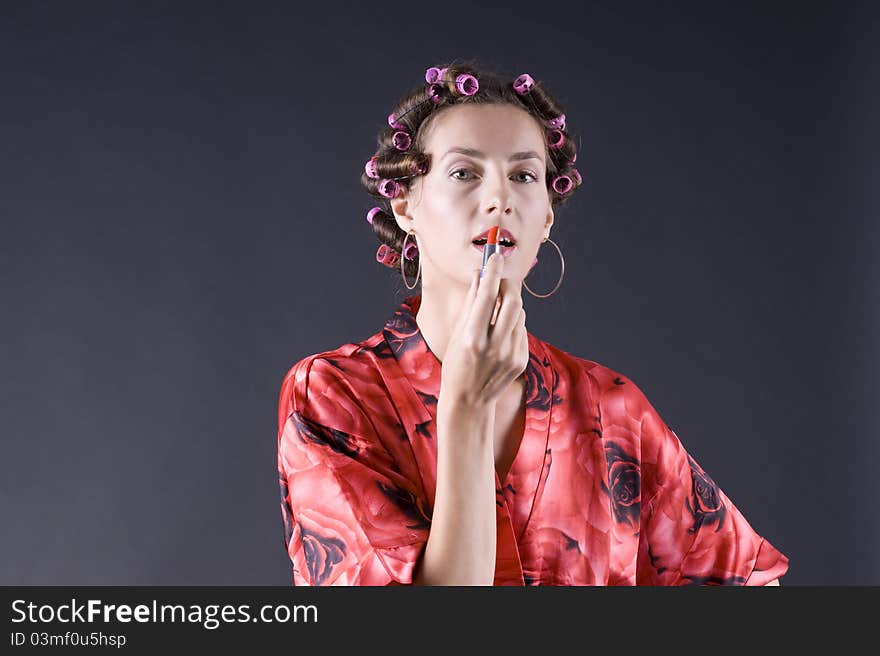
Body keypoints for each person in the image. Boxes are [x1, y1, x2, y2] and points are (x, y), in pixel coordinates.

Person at [276, 60, 790, 586]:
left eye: (523, 175)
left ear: (545, 217)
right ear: (405, 203)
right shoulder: (333, 395)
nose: (499, 198)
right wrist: (464, 411)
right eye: (464, 172)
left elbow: (750, 581)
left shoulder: (609, 406)